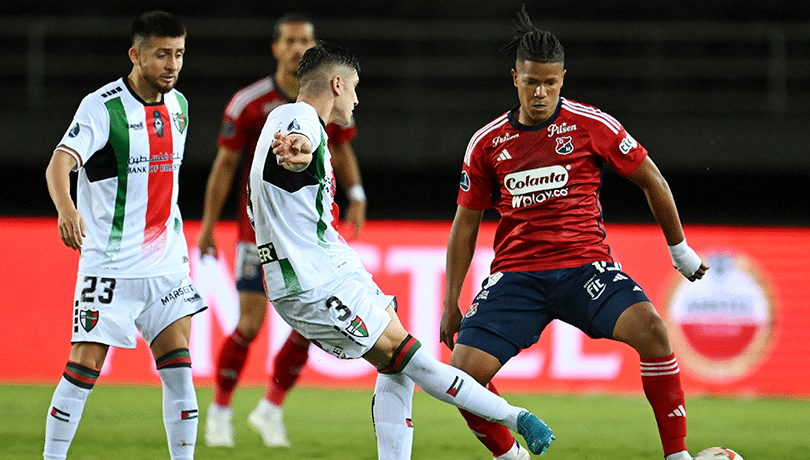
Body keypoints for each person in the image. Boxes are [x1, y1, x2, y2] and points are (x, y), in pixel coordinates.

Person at [248, 40, 555, 459]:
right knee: (414, 361)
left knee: (397, 369)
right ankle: (516, 422)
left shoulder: (287, 118)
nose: (356, 99)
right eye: (354, 87)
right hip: (311, 281)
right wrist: (298, 154)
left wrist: (301, 154)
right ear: (337, 84)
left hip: (332, 267)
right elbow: (297, 148)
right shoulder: (300, 119)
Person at [440, 7, 710, 460]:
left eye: (550, 82)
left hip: (585, 268)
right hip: (517, 277)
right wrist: (451, 302)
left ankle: (677, 455)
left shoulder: (591, 125)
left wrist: (679, 251)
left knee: (654, 332)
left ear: (563, 78)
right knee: (461, 377)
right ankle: (511, 456)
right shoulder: (487, 143)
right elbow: (466, 223)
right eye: (531, 82)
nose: (540, 93)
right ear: (515, 78)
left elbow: (652, 180)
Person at [43, 11, 206, 460]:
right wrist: (67, 209)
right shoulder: (103, 106)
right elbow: (60, 162)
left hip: (167, 264)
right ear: (136, 55)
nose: (172, 64)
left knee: (179, 372)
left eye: (178, 54)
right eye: (161, 55)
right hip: (110, 266)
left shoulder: (180, 108)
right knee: (82, 370)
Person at [199, 13, 367, 449]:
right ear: (275, 48)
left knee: (312, 328)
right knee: (250, 325)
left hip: (309, 240)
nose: (297, 47)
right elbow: (225, 166)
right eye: (290, 40)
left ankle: (270, 408)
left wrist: (357, 192)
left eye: (305, 40)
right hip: (258, 235)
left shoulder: (331, 97)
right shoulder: (250, 103)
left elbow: (342, 146)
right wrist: (208, 226)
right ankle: (219, 410)